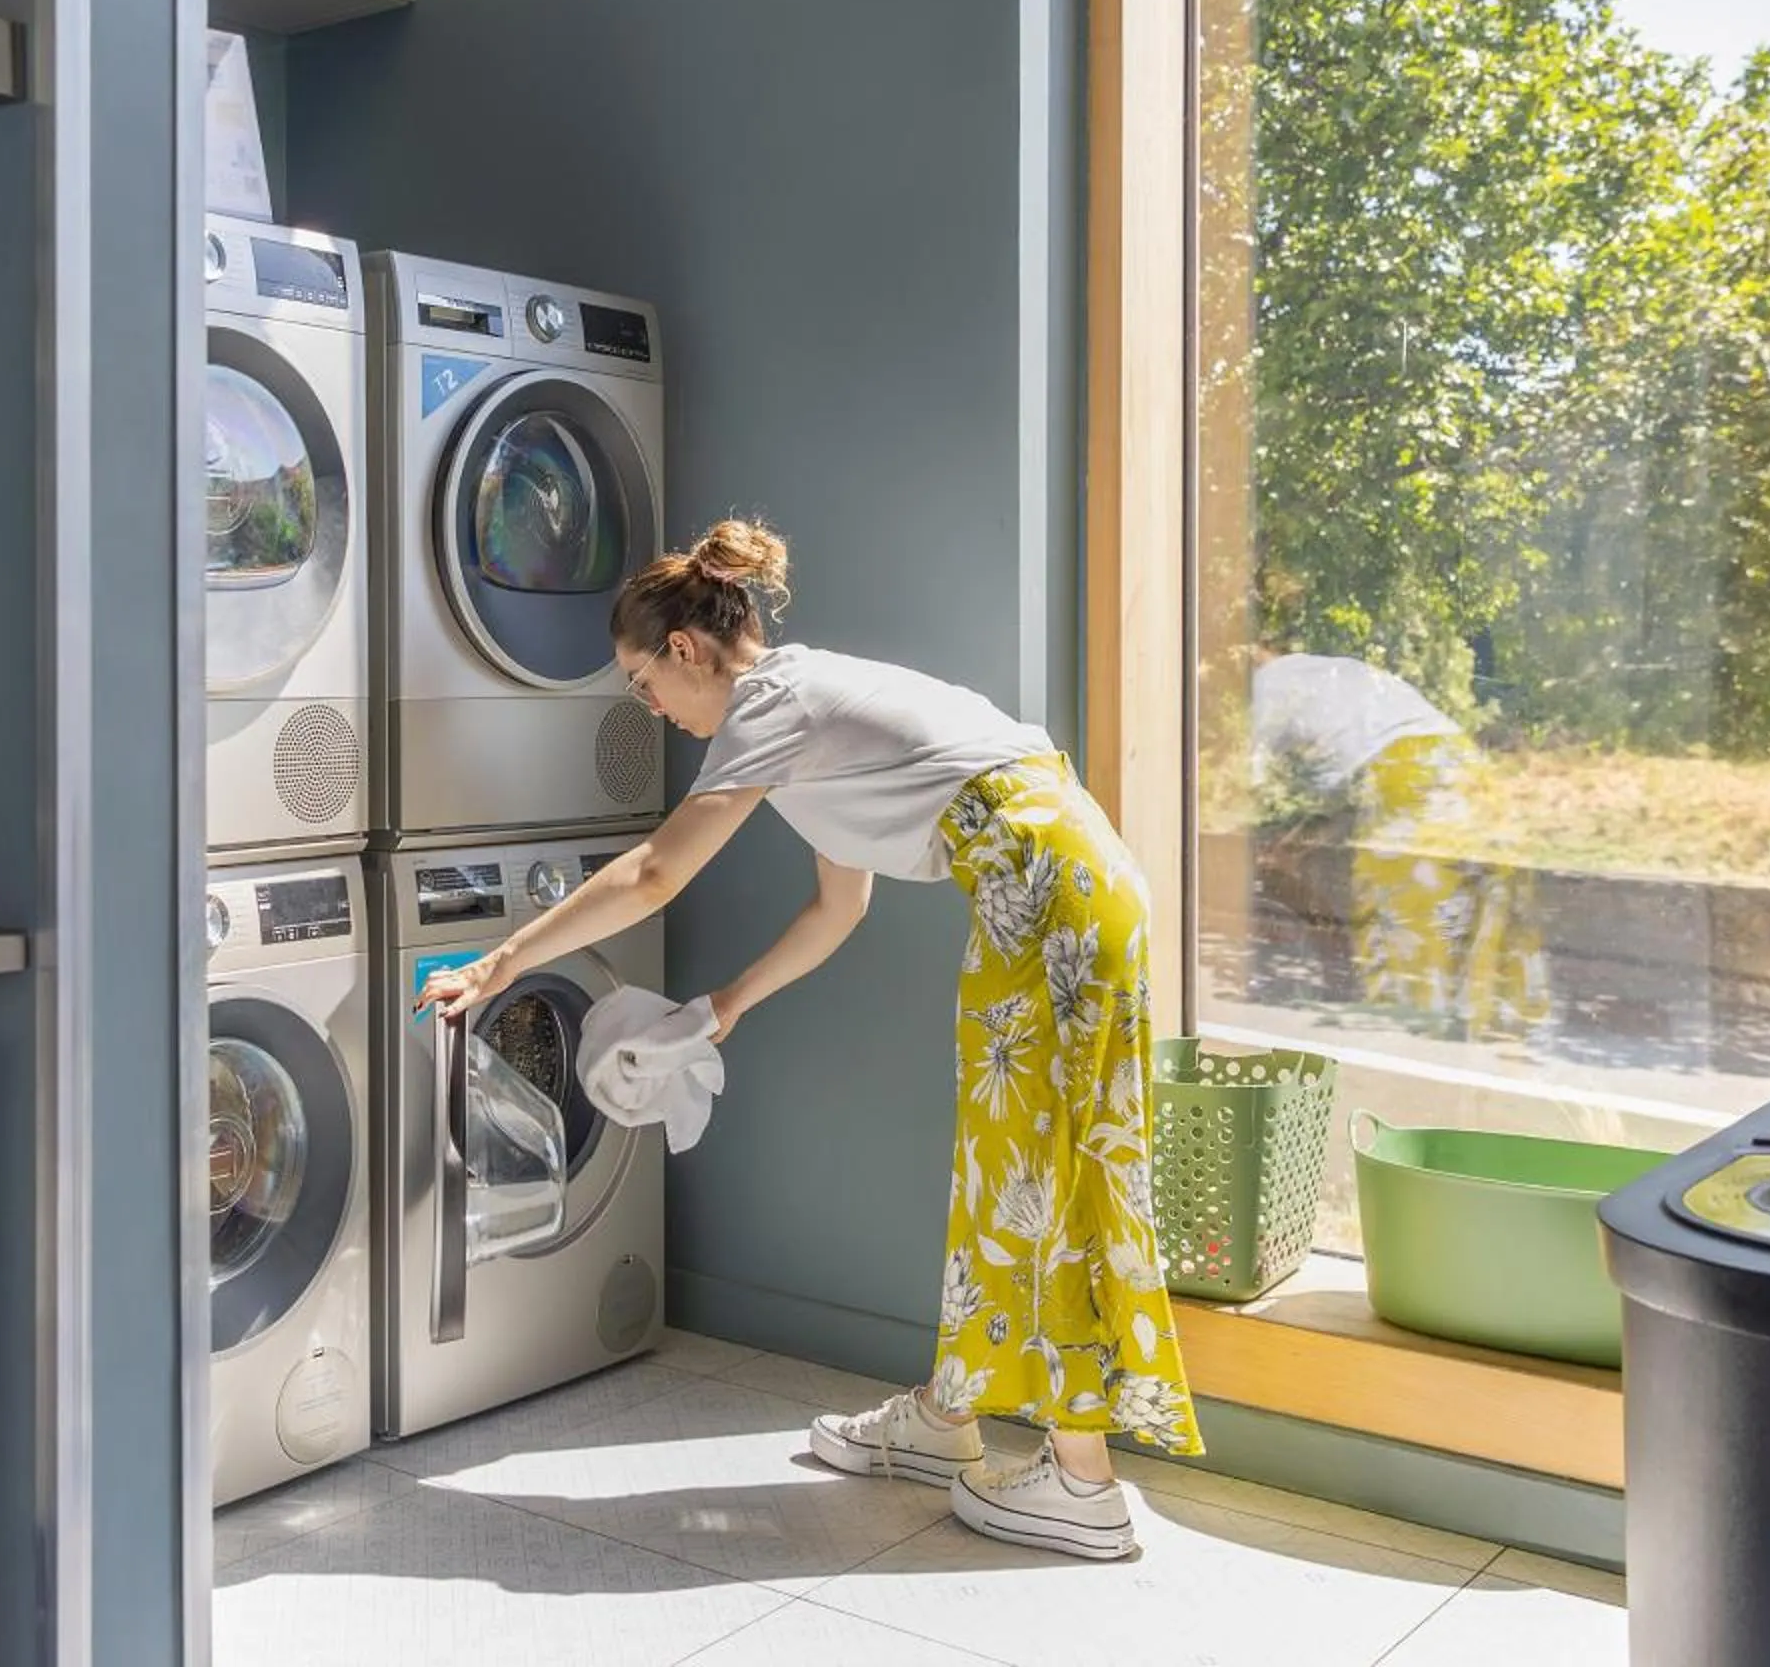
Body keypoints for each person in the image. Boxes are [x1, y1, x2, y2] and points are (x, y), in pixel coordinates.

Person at [421, 519, 1200, 1562]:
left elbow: (656, 873)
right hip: (1065, 885)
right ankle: (948, 1415)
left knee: (1043, 1169)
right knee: (1005, 1161)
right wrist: (725, 1006)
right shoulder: (802, 712)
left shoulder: (770, 706)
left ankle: (1081, 1480)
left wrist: (501, 959)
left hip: (1047, 894)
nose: (650, 707)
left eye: (643, 682)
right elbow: (839, 907)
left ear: (688, 652)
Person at [1246, 651, 1548, 1041]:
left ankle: (1412, 1063)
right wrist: (1296, 844)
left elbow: (1237, 786)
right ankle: (1498, 1053)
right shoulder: (1336, 676)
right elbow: (1343, 801)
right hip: (1471, 774)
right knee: (1488, 933)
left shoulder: (1268, 684)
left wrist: (1267, 850)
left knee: (1406, 952)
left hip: (1410, 786)